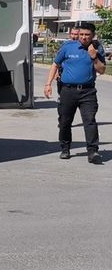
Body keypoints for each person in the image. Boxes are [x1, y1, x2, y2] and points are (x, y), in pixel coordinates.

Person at [43, 21, 106, 164]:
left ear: (93, 35)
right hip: (68, 91)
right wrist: (48, 84)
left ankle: (93, 151)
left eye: (87, 35)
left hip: (88, 92)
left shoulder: (97, 48)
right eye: (81, 34)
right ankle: (65, 148)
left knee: (90, 121)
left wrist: (94, 57)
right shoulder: (68, 47)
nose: (83, 37)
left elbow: (102, 70)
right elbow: (55, 64)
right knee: (65, 121)